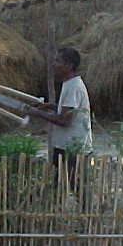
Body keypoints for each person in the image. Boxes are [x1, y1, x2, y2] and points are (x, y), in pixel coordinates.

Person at [24, 47, 92, 184]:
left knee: (73, 186)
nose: (54, 64)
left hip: (73, 147)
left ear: (69, 65)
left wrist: (37, 112)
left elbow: (64, 120)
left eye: (58, 61)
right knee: (62, 185)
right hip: (68, 145)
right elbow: (70, 111)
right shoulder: (70, 84)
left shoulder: (73, 87)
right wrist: (51, 106)